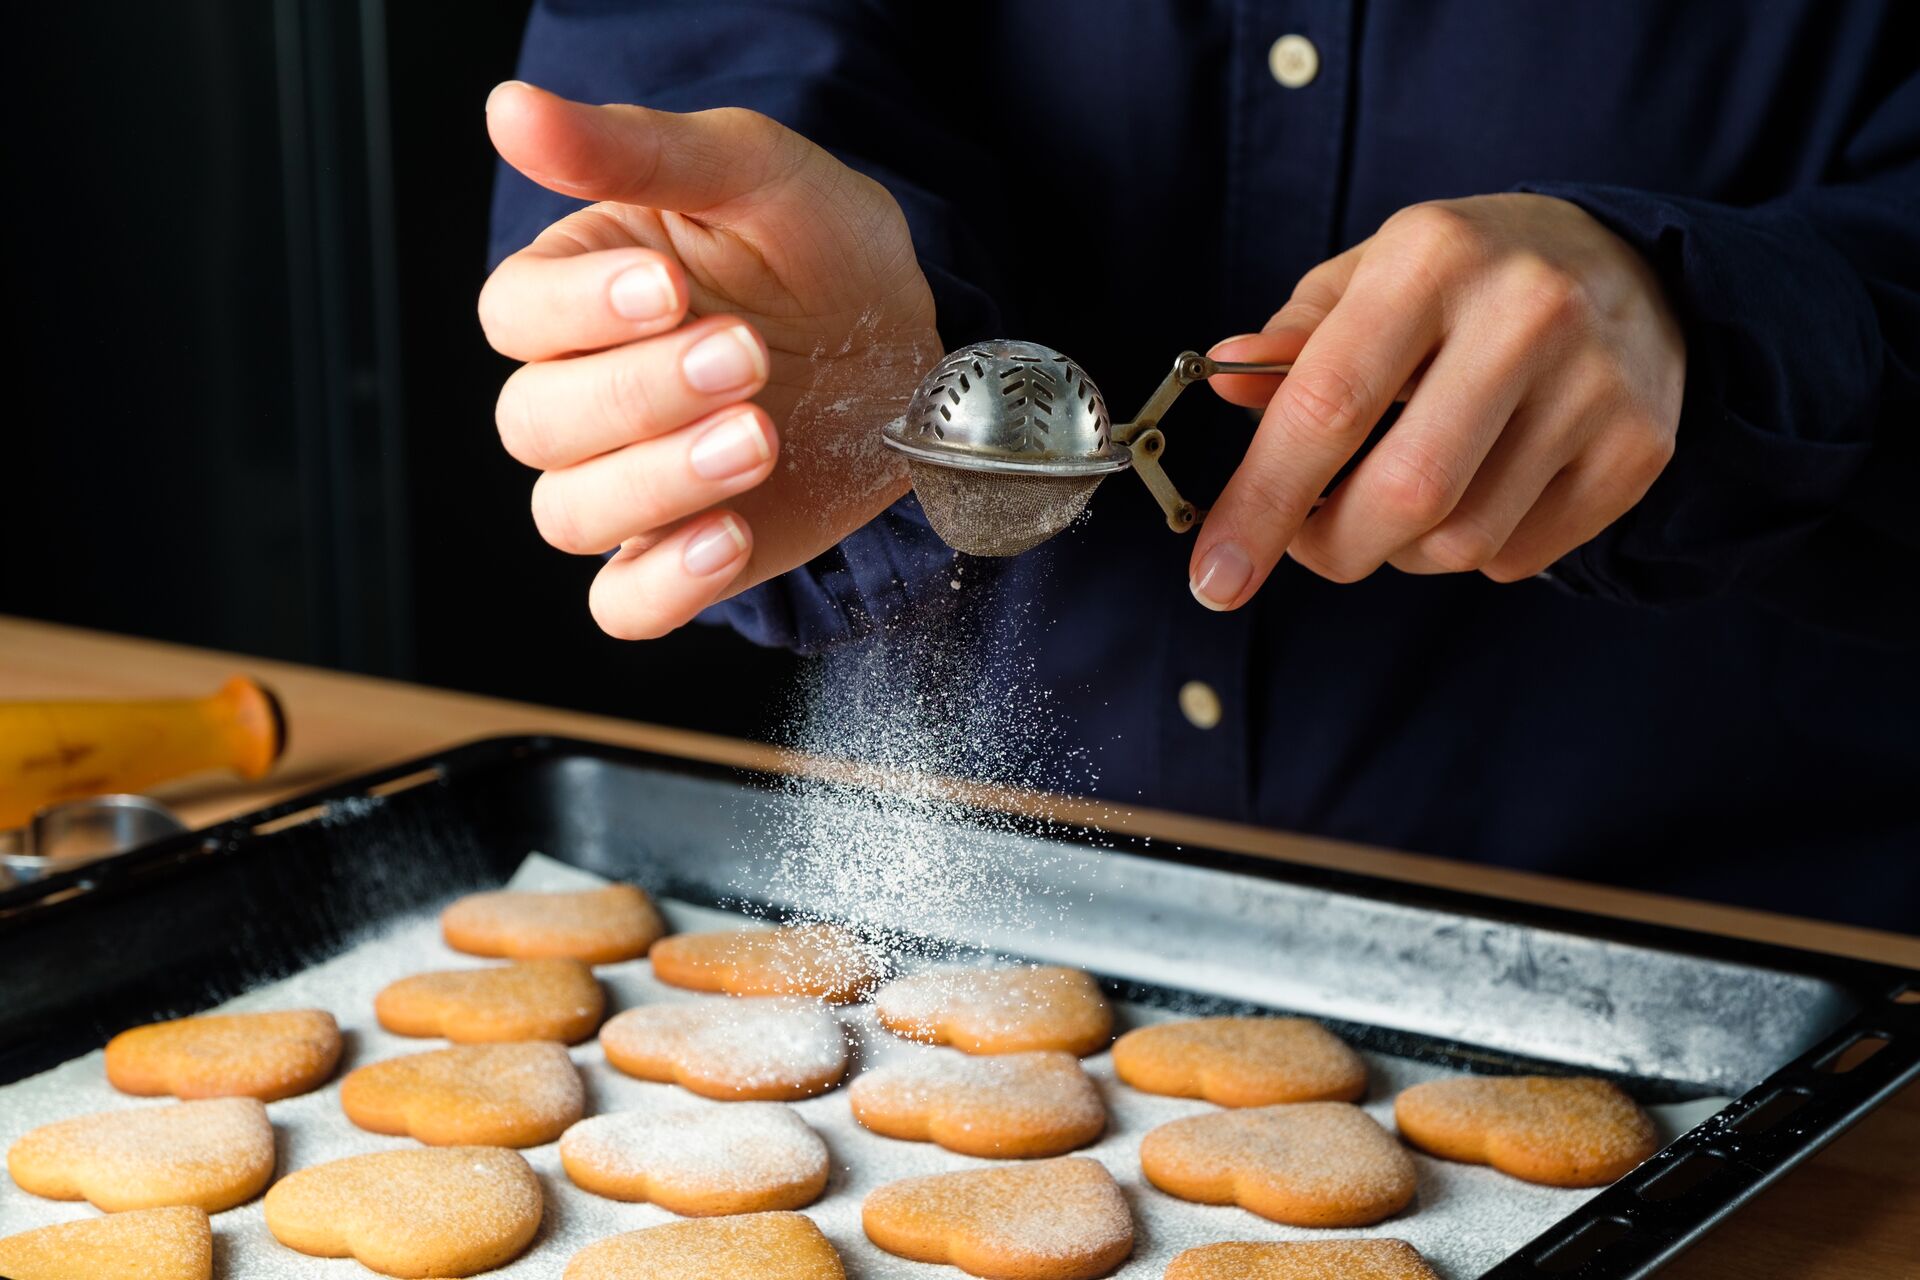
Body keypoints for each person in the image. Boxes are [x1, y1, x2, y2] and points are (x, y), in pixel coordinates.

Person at [481, 3, 1919, 930]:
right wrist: (715, 306)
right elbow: (689, 55)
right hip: (976, 912)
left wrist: (1718, 322)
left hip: (1739, 940)